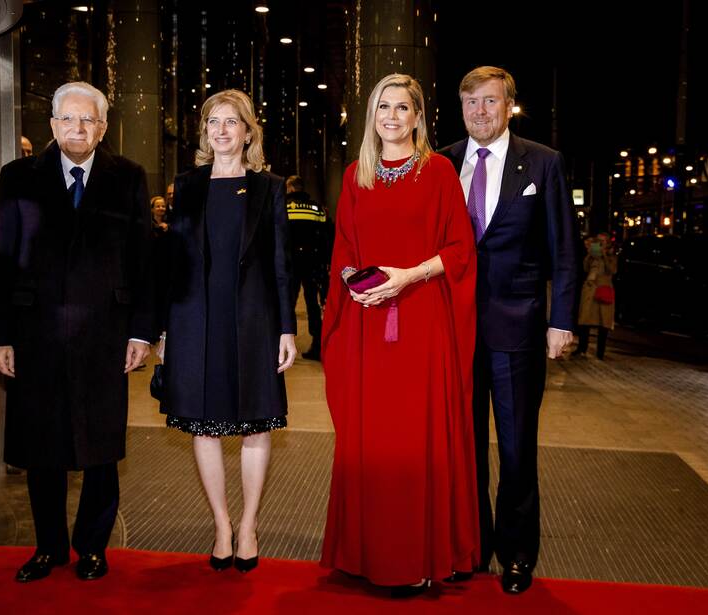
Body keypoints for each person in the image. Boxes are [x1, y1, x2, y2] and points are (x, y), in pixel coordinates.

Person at [0, 81, 154, 583]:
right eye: (68, 119)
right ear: (53, 125)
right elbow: (3, 259)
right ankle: (49, 548)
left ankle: (93, 547)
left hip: (105, 334)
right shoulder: (17, 176)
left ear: (102, 127)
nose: (78, 128)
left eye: (88, 120)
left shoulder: (128, 177)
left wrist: (142, 331)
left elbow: (143, 260)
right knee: (43, 447)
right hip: (35, 333)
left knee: (101, 447)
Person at [320, 73, 480, 597]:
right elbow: (344, 250)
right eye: (383, 107)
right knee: (372, 439)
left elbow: (459, 249)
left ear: (418, 116)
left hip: (421, 322)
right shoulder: (355, 176)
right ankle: (368, 556)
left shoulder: (438, 171)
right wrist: (356, 284)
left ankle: (422, 555)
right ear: (373, 117)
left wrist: (407, 277)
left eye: (402, 108)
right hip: (368, 323)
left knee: (417, 437)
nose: (391, 116)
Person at [439, 66, 577, 594]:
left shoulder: (543, 163)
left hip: (518, 329)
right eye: (470, 101)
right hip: (452, 330)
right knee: (463, 445)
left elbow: (563, 248)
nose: (479, 111)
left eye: (490, 102)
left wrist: (562, 318)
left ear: (508, 105)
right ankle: (469, 546)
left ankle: (517, 553)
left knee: (518, 447)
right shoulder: (441, 162)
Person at [157, 89, 296, 574]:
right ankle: (221, 524)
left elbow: (281, 263)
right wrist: (165, 330)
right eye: (212, 122)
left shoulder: (269, 187)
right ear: (205, 133)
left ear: (248, 131)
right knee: (203, 424)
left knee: (257, 422)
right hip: (195, 319)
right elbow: (173, 263)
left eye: (231, 122)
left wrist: (286, 327)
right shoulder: (186, 185)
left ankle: (250, 524)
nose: (221, 130)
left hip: (254, 320)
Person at [285, 175, 330, 360]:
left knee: (287, 303)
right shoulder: (317, 208)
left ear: (292, 189)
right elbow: (327, 235)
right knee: (312, 303)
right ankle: (317, 344)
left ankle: (282, 344)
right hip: (312, 262)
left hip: (290, 263)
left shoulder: (283, 207)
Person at [574, 233, 616, 359]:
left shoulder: (611, 256)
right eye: (599, 241)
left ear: (608, 243)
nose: (601, 243)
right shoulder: (593, 255)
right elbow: (585, 268)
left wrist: (604, 255)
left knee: (603, 323)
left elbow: (612, 270)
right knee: (584, 320)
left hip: (603, 290)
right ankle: (582, 348)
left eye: (603, 241)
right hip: (590, 290)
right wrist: (590, 255)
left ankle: (600, 353)